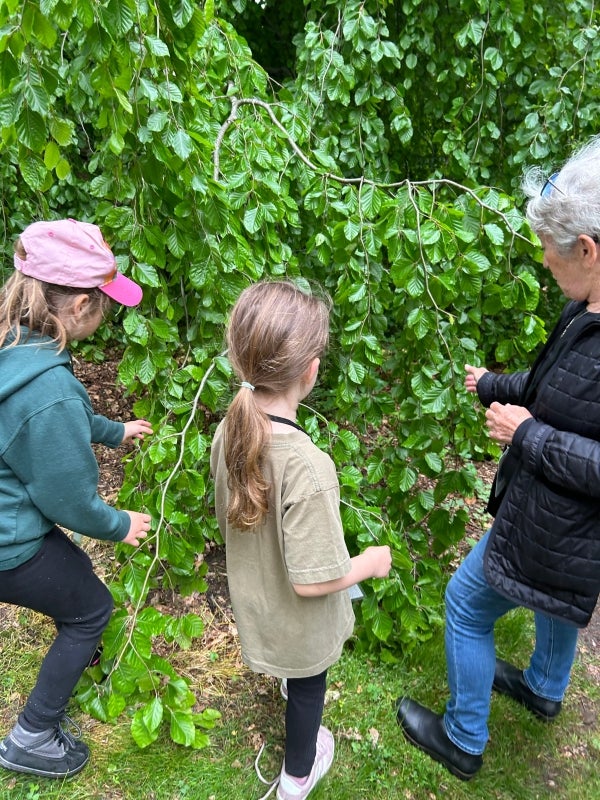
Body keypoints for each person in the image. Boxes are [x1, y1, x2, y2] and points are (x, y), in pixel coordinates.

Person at [396, 135, 600, 780]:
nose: (544, 260)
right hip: (566, 534)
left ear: (589, 250)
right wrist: (491, 385)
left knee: (466, 603)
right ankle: (544, 686)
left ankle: (462, 738)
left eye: (550, 248)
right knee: (557, 598)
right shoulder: (586, 310)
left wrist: (525, 436)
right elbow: (555, 388)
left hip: (559, 522)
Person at [210, 280, 392, 800]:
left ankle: (287, 690)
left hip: (258, 602)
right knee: (309, 688)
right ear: (310, 371)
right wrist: (371, 562)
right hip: (298, 625)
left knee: (295, 677)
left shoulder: (234, 426)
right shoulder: (309, 468)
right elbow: (317, 582)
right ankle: (296, 778)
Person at [0, 218, 153, 779]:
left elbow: (44, 421)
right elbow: (68, 498)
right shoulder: (50, 390)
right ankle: (31, 737)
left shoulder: (14, 341)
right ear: (81, 306)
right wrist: (118, 525)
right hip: (7, 544)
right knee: (92, 608)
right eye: (106, 303)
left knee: (74, 575)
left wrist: (113, 431)